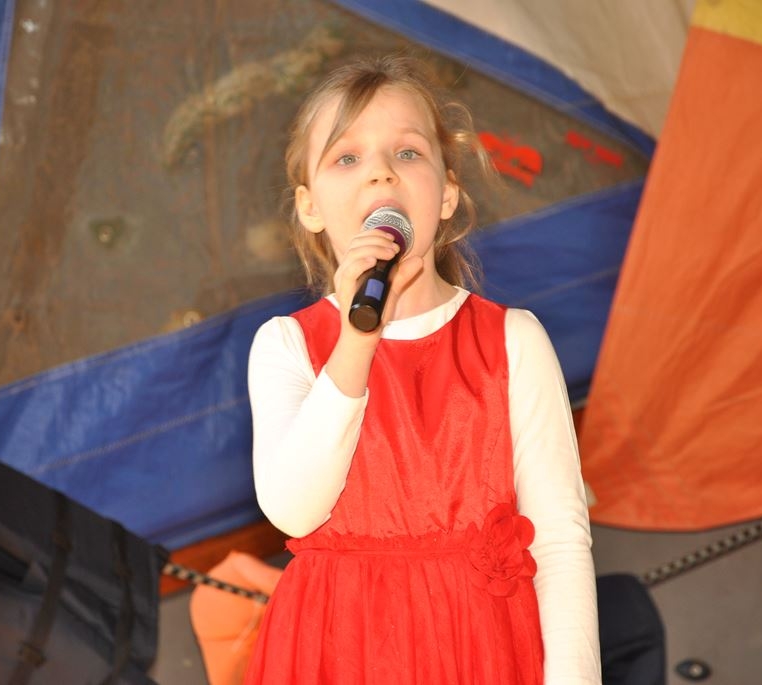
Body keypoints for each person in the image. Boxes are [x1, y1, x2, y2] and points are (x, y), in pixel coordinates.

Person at [245, 54, 601, 684]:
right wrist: (356, 341)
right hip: (338, 652)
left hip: (479, 651)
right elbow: (294, 511)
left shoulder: (512, 341)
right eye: (346, 157)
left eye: (407, 152)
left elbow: (559, 541)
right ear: (310, 206)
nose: (380, 171)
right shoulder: (286, 345)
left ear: (447, 195)